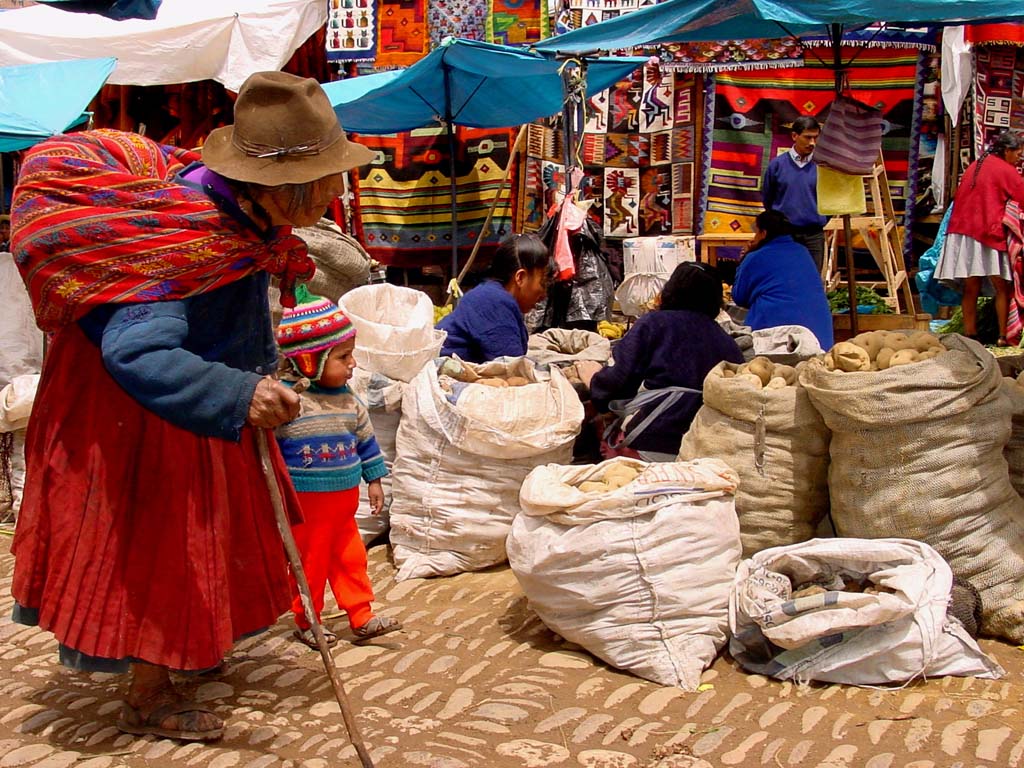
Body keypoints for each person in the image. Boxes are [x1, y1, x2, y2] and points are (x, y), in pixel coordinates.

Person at [9, 71, 376, 742]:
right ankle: (149, 694)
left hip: (190, 402)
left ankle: (191, 651)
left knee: (207, 540)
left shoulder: (239, 219)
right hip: (135, 415)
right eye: (326, 179)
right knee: (163, 549)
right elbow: (137, 352)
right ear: (283, 189)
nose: (334, 191)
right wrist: (240, 392)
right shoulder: (179, 238)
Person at [274, 286, 401, 647]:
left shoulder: (349, 401)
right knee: (309, 562)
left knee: (350, 557)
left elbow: (365, 440)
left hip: (343, 504)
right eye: (343, 356)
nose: (353, 364)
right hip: (305, 506)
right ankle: (308, 620)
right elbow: (269, 450)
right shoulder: (288, 400)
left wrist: (375, 479)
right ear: (310, 360)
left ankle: (361, 615)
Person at [588, 262, 744, 459]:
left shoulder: (653, 324)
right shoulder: (727, 341)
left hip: (651, 442)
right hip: (704, 449)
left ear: (670, 290)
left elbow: (616, 383)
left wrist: (593, 383)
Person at [936, 129, 1024, 345]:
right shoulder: (1006, 171)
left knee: (971, 285)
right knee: (1002, 286)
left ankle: (970, 335)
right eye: (1018, 154)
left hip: (961, 232)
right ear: (1006, 151)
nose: (1019, 159)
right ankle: (1003, 336)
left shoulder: (977, 164)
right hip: (986, 231)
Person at [437, 232, 550, 363]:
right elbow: (513, 365)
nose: (544, 294)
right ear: (520, 278)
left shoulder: (492, 294)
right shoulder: (495, 300)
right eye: (542, 282)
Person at [732, 210, 834, 349]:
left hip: (779, 343)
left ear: (764, 233)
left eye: (756, 232)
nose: (754, 237)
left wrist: (745, 258)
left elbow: (739, 297)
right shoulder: (803, 251)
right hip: (822, 341)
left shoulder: (755, 257)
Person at [762, 116, 828, 272]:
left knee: (811, 279)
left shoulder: (822, 166)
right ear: (794, 136)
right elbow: (768, 198)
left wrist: (820, 218)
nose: (812, 142)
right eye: (807, 137)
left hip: (814, 235)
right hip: (785, 235)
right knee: (784, 277)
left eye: (815, 137)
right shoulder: (777, 165)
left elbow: (829, 198)